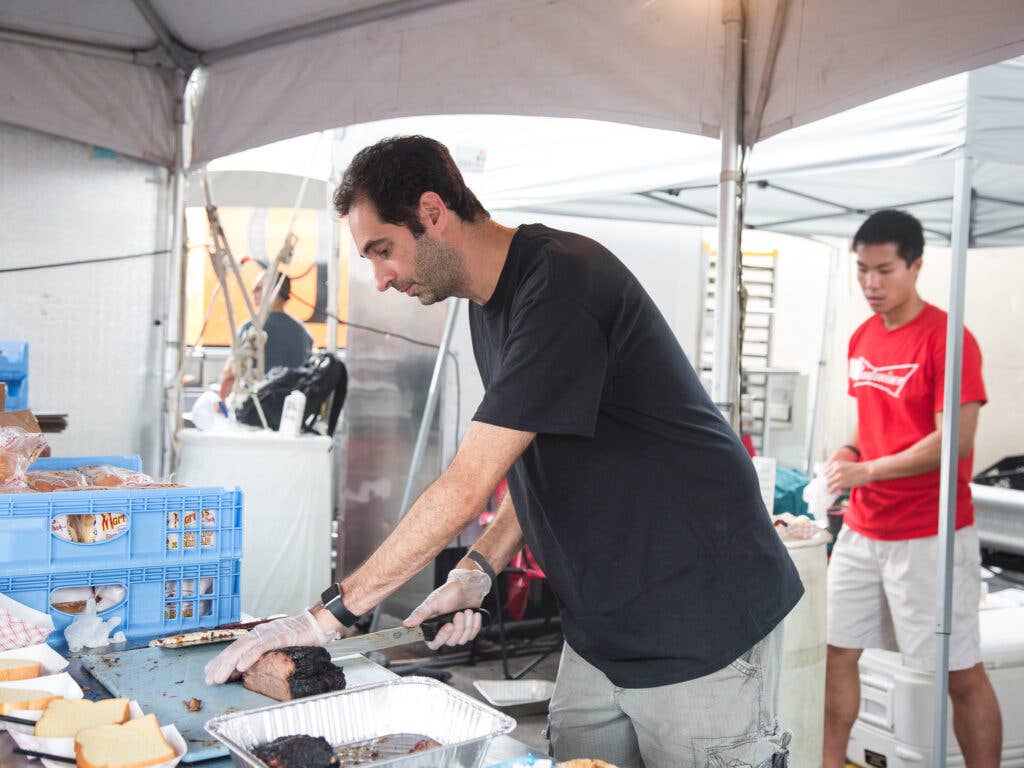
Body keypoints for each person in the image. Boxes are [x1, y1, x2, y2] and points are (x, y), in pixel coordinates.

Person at [205, 136, 803, 768]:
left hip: (700, 615)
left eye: (383, 249)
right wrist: (478, 569)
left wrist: (326, 619)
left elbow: (467, 484)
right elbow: (535, 458)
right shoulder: (486, 308)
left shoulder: (564, 282)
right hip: (601, 627)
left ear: (432, 211)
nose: (379, 278)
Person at [822, 210, 1002, 768]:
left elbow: (956, 440)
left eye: (884, 270)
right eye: (861, 271)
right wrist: (851, 454)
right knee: (836, 653)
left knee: (959, 672)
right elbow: (869, 421)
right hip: (862, 528)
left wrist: (869, 471)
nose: (871, 284)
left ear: (916, 265)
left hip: (930, 532)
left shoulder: (949, 340)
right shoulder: (862, 336)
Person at [218, 272, 312, 400]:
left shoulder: (251, 329)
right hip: (291, 410)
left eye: (258, 288)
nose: (252, 292)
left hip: (256, 409)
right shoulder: (304, 333)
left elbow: (230, 374)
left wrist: (221, 404)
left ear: (276, 292)